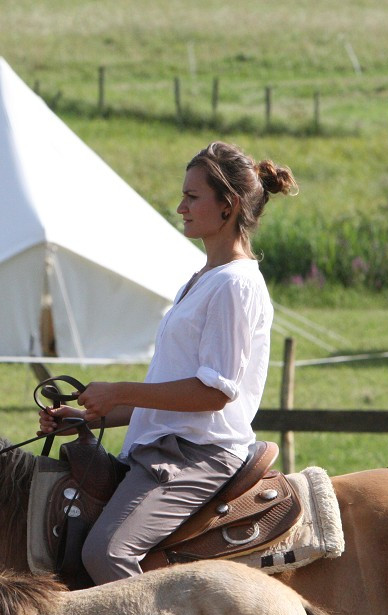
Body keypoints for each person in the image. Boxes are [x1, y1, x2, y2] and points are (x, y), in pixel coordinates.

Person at [38, 141, 297, 585]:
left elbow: (215, 392)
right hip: (167, 450)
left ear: (228, 206)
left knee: (106, 553)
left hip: (199, 455)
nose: (180, 207)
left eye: (192, 197)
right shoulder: (203, 280)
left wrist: (118, 390)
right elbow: (170, 395)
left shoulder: (235, 285)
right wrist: (89, 415)